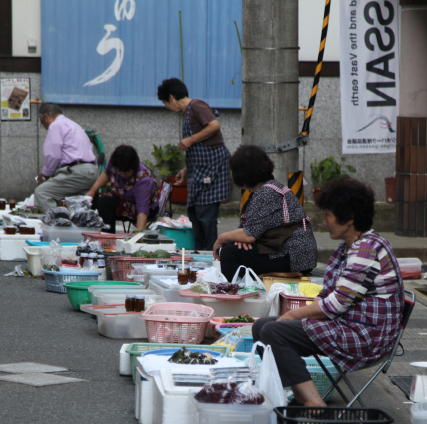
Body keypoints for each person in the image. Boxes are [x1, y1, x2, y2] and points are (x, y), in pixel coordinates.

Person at [252, 178, 404, 407]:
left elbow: (336, 304)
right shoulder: (353, 246)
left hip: (364, 337)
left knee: (275, 331)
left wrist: (293, 315)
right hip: (347, 326)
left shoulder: (367, 249)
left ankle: (314, 405)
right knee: (261, 326)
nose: (325, 222)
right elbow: (331, 297)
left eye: (329, 215)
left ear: (349, 219)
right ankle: (285, 393)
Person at [214, 145, 317, 280]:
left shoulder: (266, 193)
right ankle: (247, 285)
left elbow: (249, 234)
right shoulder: (272, 187)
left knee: (229, 252)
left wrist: (222, 238)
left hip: (293, 256)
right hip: (293, 253)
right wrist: (240, 238)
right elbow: (250, 231)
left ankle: (236, 291)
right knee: (234, 247)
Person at [157, 77, 230, 250]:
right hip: (198, 170)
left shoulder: (197, 106)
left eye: (166, 103)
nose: (169, 108)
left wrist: (190, 139)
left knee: (206, 216)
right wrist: (186, 169)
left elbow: (214, 125)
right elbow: (202, 145)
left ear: (172, 98)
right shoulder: (188, 112)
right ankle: (200, 252)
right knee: (195, 215)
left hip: (211, 170)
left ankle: (211, 254)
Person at [33, 103, 97, 212]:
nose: (43, 125)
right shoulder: (73, 125)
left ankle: (58, 223)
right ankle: (74, 223)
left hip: (76, 171)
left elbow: (53, 155)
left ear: (45, 117)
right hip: (91, 171)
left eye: (41, 121)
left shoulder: (56, 125)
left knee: (42, 192)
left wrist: (45, 174)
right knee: (73, 204)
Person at [85, 145, 158, 232]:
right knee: (100, 200)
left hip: (140, 208)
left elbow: (142, 209)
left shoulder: (143, 180)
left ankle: (108, 238)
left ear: (133, 168)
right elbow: (107, 173)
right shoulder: (116, 162)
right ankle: (101, 235)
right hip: (122, 199)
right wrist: (92, 191)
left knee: (106, 203)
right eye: (119, 171)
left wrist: (137, 236)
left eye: (125, 172)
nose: (121, 174)